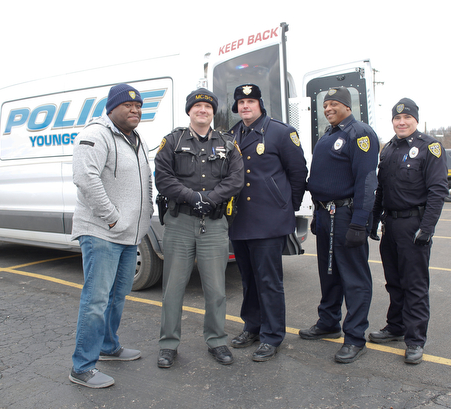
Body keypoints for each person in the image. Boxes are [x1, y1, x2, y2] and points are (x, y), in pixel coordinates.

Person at [69, 83, 153, 388]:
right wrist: (113, 219)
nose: (134, 110)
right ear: (111, 108)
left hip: (130, 235)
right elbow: (85, 178)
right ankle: (82, 366)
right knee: (95, 300)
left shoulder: (135, 139)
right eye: (128, 106)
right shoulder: (97, 134)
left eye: (138, 106)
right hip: (103, 233)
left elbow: (146, 179)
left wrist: (146, 214)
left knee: (117, 296)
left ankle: (108, 346)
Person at [154, 88, 244, 368]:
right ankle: (168, 344)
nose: (202, 111)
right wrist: (193, 198)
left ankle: (216, 340)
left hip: (214, 225)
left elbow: (236, 179)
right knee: (173, 288)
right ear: (189, 111)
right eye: (197, 107)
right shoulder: (172, 141)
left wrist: (211, 199)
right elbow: (163, 177)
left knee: (216, 289)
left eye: (207, 107)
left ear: (213, 112)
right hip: (180, 222)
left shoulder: (229, 144)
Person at [228, 84, 307, 362]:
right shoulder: (232, 134)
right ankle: (252, 326)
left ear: (260, 104)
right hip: (239, 221)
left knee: (269, 280)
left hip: (269, 220)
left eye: (250, 101)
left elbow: (298, 173)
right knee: (248, 279)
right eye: (240, 102)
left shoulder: (281, 132)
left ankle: (272, 335)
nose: (245, 106)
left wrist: (287, 208)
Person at [300, 86, 379, 363]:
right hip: (325, 215)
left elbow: (367, 181)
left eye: (334, 104)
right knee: (329, 273)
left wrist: (360, 223)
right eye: (325, 105)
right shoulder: (329, 135)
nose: (328, 109)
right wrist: (315, 215)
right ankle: (328, 323)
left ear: (347, 106)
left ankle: (355, 337)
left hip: (346, 216)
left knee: (354, 278)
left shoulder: (360, 133)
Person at [368, 98, 448, 365]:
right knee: (394, 281)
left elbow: (437, 191)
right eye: (397, 119)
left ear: (415, 120)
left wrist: (427, 228)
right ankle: (396, 326)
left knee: (414, 285)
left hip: (414, 225)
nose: (401, 122)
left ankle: (415, 340)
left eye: (407, 119)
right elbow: (382, 188)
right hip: (390, 224)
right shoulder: (388, 149)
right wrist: (374, 219)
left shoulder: (430, 147)